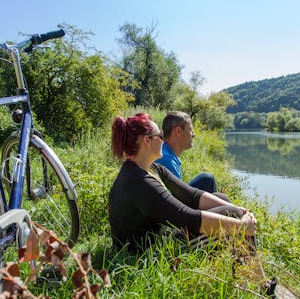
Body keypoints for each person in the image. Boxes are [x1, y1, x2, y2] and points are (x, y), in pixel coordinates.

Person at [109, 113, 277, 292]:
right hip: (152, 254)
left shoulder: (151, 168)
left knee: (226, 204)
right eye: (160, 136)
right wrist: (241, 225)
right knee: (233, 220)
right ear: (146, 141)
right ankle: (261, 287)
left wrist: (240, 210)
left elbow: (193, 196)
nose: (163, 140)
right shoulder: (140, 182)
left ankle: (246, 275)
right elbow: (189, 219)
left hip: (162, 237)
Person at [155, 111, 220, 193]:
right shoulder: (166, 159)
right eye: (190, 129)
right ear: (178, 131)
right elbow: (175, 199)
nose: (194, 134)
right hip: (167, 205)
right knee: (207, 179)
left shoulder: (166, 153)